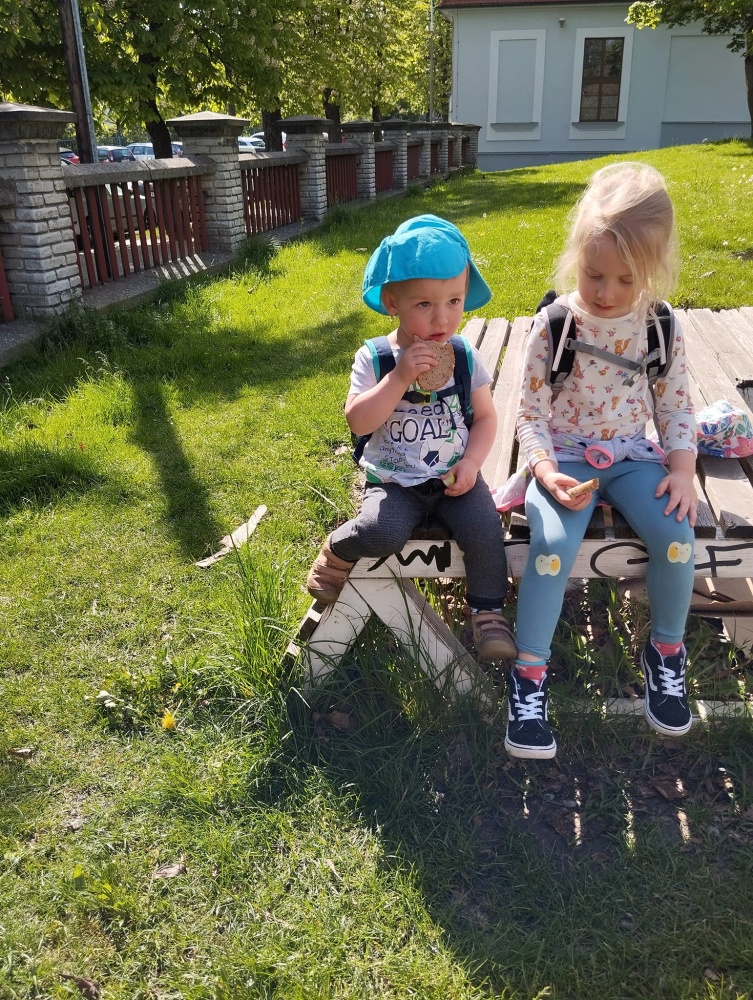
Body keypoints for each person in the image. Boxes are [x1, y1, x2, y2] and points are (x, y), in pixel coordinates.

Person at [508, 162, 697, 759]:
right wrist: (543, 471)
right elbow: (529, 413)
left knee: (676, 536)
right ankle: (528, 678)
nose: (607, 292)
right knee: (551, 546)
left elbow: (676, 406)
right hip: (564, 458)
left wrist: (682, 469)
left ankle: (666, 653)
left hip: (632, 456)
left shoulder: (659, 326)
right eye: (594, 274)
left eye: (625, 279)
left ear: (652, 269)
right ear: (577, 257)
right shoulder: (556, 326)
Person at [306, 214, 515, 662]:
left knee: (484, 530)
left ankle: (488, 612)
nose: (443, 317)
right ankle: (339, 549)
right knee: (381, 532)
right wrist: (400, 376)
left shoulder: (462, 355)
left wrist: (472, 463)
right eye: (424, 304)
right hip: (395, 481)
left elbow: (485, 418)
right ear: (392, 302)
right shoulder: (377, 358)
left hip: (454, 477)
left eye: (454, 300)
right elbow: (358, 422)